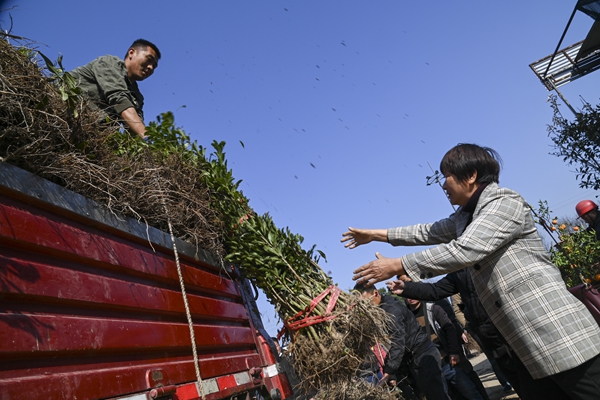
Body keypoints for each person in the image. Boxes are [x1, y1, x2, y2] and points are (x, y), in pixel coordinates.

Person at [342, 143, 600, 399]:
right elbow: (426, 232)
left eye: (447, 176)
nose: (443, 184)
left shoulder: (503, 202)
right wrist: (375, 235)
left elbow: (465, 249)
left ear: (471, 175)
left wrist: (397, 264)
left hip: (560, 337)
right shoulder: (465, 218)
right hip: (525, 349)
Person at [353, 282, 450, 400]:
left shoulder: (391, 310)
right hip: (411, 360)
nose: (365, 307)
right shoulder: (381, 309)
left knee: (437, 396)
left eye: (366, 302)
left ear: (376, 293)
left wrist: (389, 372)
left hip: (423, 355)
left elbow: (398, 341)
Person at [70, 39, 161, 139]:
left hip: (89, 136)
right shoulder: (110, 63)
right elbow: (119, 98)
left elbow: (136, 127)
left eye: (154, 66)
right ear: (132, 53)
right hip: (67, 117)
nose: (151, 67)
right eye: (149, 59)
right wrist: (146, 137)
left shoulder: (137, 96)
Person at [405, 297, 487, 400]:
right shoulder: (406, 318)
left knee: (470, 392)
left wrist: (453, 352)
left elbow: (450, 328)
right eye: (406, 296)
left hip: (448, 363)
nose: (410, 298)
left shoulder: (432, 309)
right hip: (431, 368)